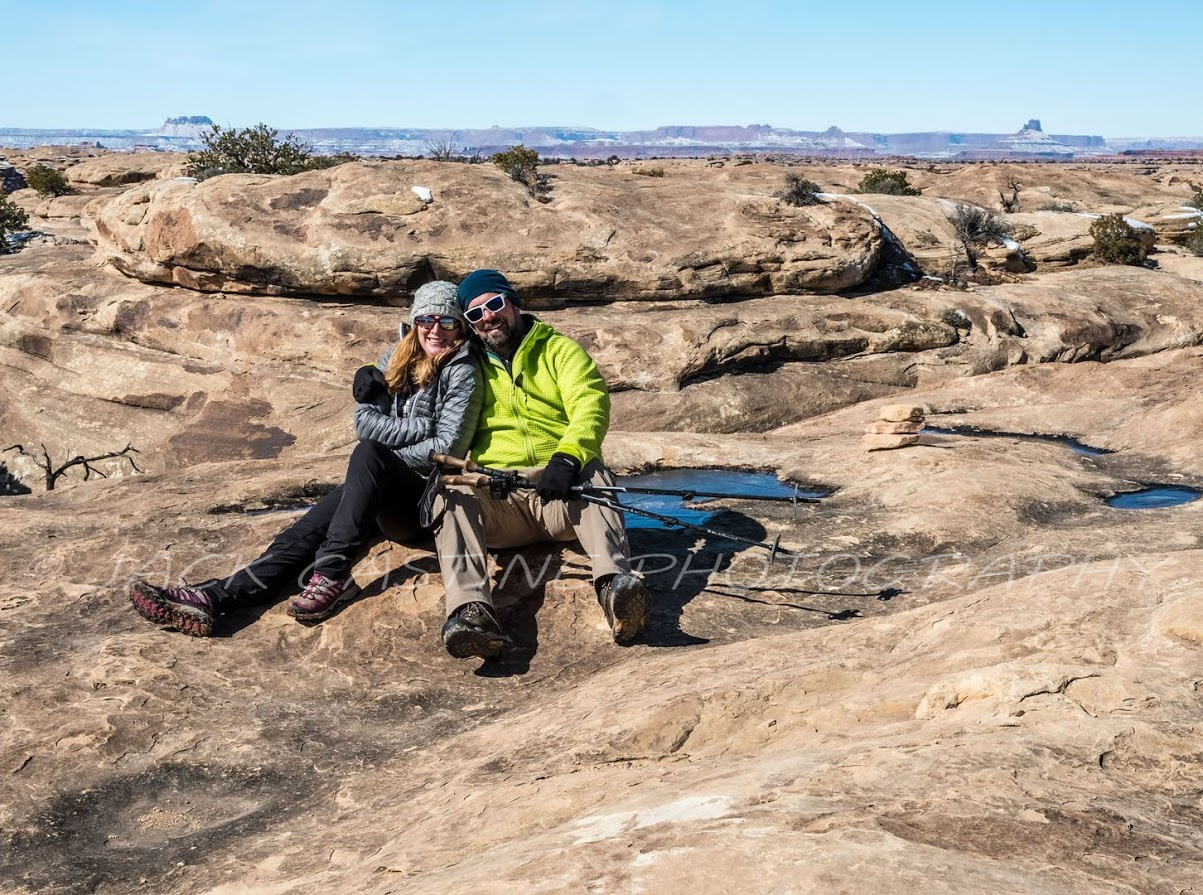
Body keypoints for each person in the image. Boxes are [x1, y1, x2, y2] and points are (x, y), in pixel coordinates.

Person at [128, 281, 482, 637]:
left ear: (460, 327)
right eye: (427, 319)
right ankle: (214, 598)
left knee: (369, 454)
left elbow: (447, 448)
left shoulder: (463, 370)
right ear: (414, 320)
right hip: (377, 481)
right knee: (300, 536)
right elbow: (364, 424)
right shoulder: (396, 357)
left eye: (447, 322)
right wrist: (423, 426)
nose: (435, 330)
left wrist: (389, 448)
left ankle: (331, 575)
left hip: (421, 499)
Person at [434, 269, 653, 660]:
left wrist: (567, 458)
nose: (487, 317)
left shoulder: (560, 351)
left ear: (513, 304)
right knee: (450, 492)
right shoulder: (466, 363)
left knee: (594, 472)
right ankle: (472, 614)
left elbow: (590, 403)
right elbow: (417, 350)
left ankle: (614, 589)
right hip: (500, 502)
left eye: (494, 304)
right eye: (475, 314)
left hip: (560, 497)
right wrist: (374, 374)